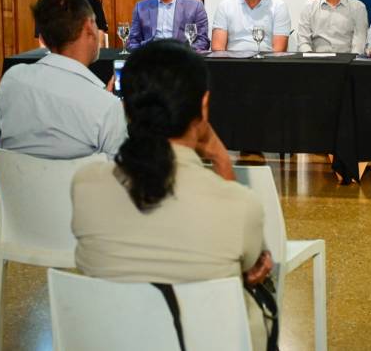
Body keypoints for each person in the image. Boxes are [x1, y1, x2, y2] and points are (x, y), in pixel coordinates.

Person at [71, 40, 273, 351]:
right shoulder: (238, 204)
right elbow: (253, 266)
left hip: (113, 339)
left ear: (125, 107)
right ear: (203, 108)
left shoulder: (85, 185)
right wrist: (221, 159)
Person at [0, 0, 127, 159]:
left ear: (42, 38)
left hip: (15, 185)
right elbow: (122, 174)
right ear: (89, 27)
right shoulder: (107, 107)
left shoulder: (11, 80)